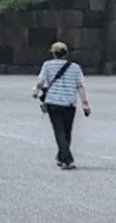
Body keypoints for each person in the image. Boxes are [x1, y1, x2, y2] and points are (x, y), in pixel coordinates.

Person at [35, 41, 91, 170]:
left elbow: (41, 82)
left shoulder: (47, 65)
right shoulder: (75, 67)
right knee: (67, 131)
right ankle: (62, 156)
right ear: (66, 54)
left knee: (59, 131)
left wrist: (36, 90)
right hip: (69, 103)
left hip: (53, 102)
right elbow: (80, 86)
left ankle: (67, 159)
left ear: (54, 54)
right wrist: (85, 103)